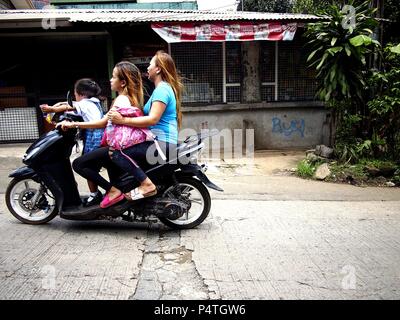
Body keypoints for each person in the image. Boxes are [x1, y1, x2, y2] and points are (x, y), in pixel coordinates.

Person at [60, 61, 148, 208]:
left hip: (119, 147)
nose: (110, 80)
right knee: (102, 162)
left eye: (114, 77)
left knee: (79, 164)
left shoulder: (120, 99)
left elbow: (100, 123)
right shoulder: (131, 98)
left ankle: (112, 191)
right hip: (124, 146)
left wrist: (73, 124)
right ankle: (115, 191)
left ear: (123, 82)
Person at [107, 50, 183, 202]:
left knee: (116, 153)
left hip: (161, 143)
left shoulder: (162, 89)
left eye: (150, 65)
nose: (147, 68)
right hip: (160, 141)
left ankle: (147, 185)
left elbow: (152, 119)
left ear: (158, 69)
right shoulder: (162, 89)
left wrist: (122, 120)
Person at [41, 78, 104, 206]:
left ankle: (96, 194)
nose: (74, 96)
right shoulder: (93, 101)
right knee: (91, 166)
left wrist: (51, 109)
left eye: (75, 93)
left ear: (81, 93)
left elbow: (70, 106)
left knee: (86, 166)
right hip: (97, 136)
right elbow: (72, 104)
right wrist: (57, 105)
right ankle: (95, 194)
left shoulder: (84, 103)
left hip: (94, 138)